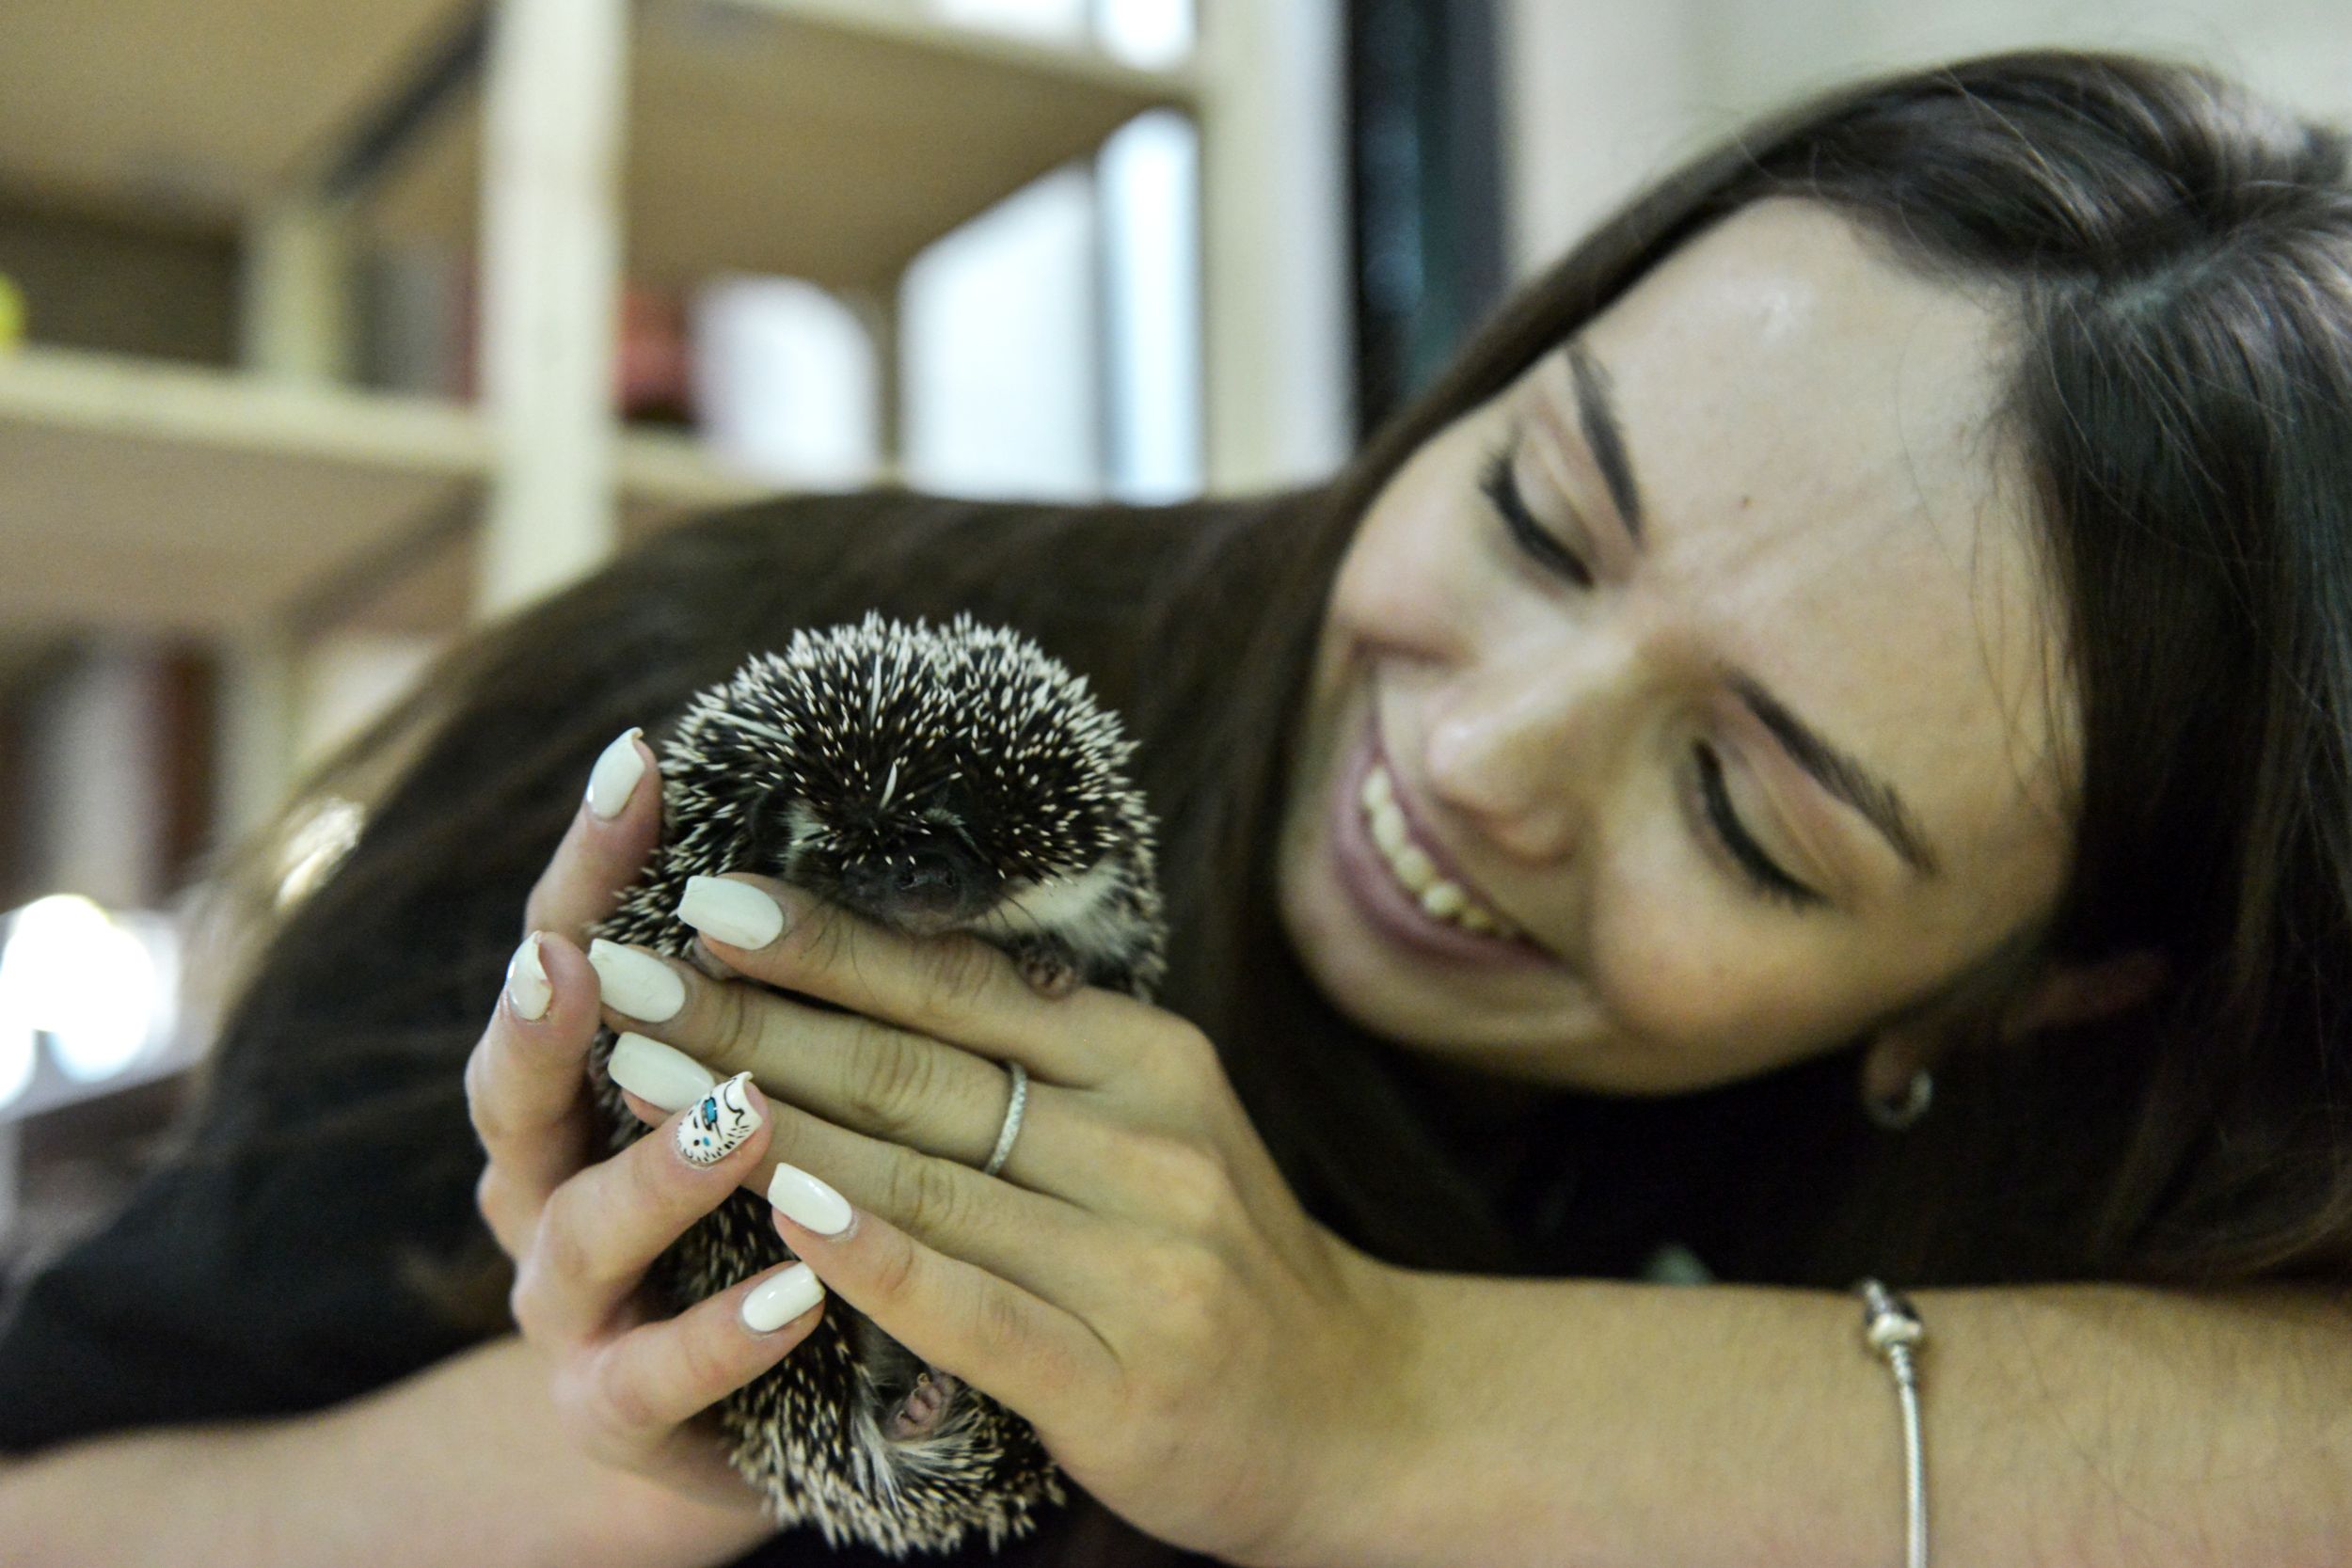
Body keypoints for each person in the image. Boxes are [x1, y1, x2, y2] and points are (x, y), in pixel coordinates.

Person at [3, 45, 2350, 1566]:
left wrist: (1379, 1399)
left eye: (1745, 812)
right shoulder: (781, 743)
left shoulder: (2062, 1214)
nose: (1478, 757)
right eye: (1537, 514)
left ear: (2052, 987)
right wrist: (632, 1442)